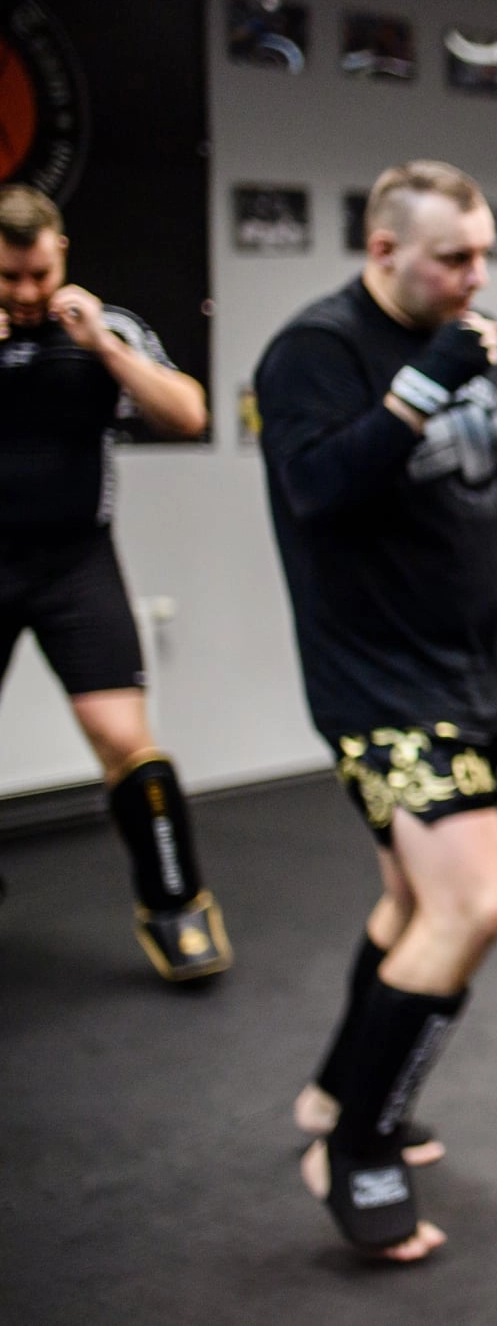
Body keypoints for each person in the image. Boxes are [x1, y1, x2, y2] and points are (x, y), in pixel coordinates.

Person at [254, 159, 497, 1261]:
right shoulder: (316, 349)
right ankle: (357, 1149)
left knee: (410, 899)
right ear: (383, 249)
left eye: (483, 254)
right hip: (376, 679)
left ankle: (336, 1092)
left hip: (470, 669)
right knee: (470, 905)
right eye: (452, 258)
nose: (474, 277)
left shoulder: (469, 334)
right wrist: (423, 382)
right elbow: (319, 486)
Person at [0, 184, 228, 982]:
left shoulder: (105, 329)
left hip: (74, 564)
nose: (26, 294)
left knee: (127, 742)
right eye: (8, 278)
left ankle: (176, 905)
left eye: (38, 273)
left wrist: (103, 345)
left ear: (61, 252)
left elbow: (189, 414)